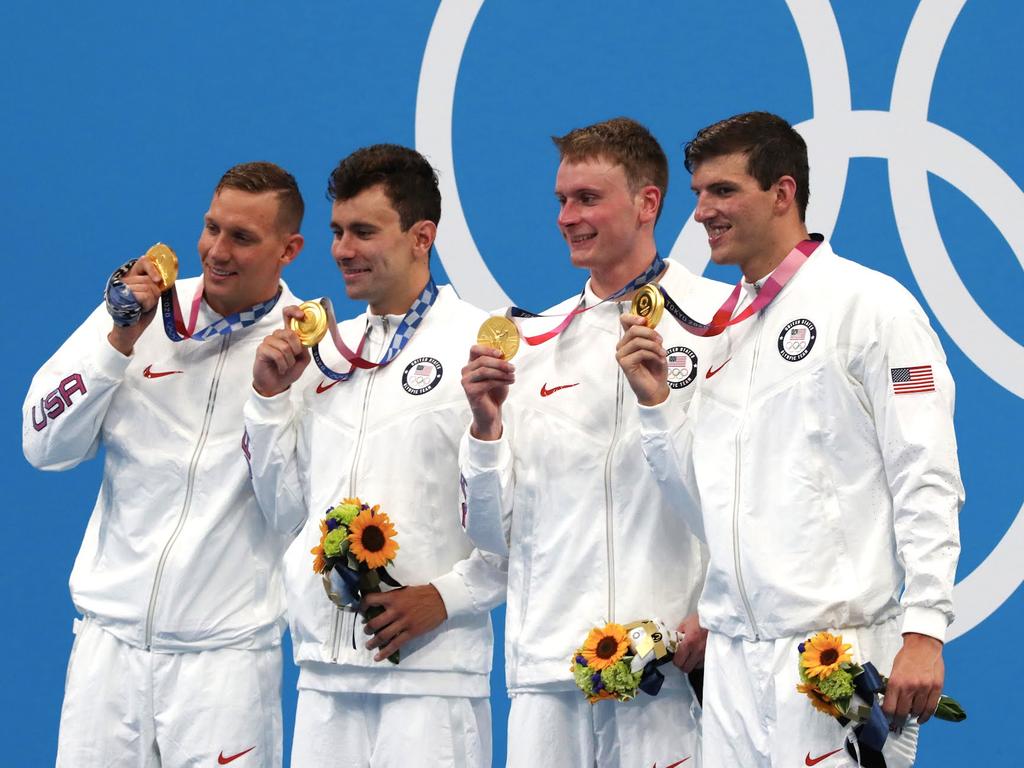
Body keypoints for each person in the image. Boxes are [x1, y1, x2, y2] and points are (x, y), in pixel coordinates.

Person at [616, 111, 963, 767]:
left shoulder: (871, 306)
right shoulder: (721, 331)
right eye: (697, 194)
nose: (701, 213)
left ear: (782, 192)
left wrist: (924, 629)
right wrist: (657, 405)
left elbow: (927, 476)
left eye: (722, 191)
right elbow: (706, 511)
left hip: (834, 657)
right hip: (732, 668)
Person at [459, 117, 731, 768]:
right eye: (561, 200)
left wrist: (711, 614)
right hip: (549, 679)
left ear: (647, 202)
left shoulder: (720, 325)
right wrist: (485, 430)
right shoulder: (532, 343)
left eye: (587, 198)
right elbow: (493, 537)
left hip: (665, 674)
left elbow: (747, 495)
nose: (568, 217)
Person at [22, 161, 306, 767]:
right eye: (211, 228)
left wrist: (272, 399)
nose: (216, 251)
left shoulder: (306, 348)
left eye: (242, 238)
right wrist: (117, 343)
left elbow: (294, 511)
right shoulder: (138, 314)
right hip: (108, 650)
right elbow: (43, 444)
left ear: (289, 249)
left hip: (224, 664)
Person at [243, 144, 506, 768]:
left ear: (422, 237)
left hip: (431, 678)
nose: (342, 250)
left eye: (364, 231)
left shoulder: (483, 346)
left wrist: (448, 596)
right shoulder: (324, 352)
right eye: (337, 232)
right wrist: (269, 401)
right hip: (324, 675)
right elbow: (286, 513)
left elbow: (533, 519)